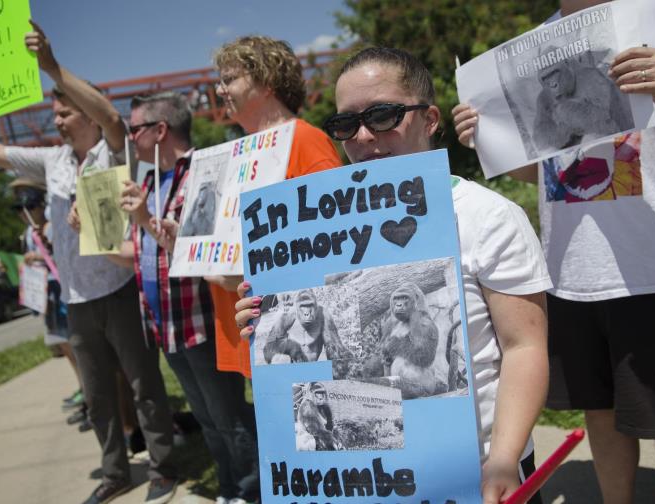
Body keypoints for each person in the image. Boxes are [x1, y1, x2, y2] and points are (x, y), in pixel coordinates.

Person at [452, 1, 655, 502]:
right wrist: (490, 141)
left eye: (558, 80)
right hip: (571, 273)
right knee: (601, 411)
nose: (553, 85)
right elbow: (548, 172)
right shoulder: (538, 41)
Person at [235, 47, 551, 504]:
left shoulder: (488, 217)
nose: (364, 136)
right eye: (346, 124)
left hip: (476, 471)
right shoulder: (311, 231)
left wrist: (503, 458)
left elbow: (525, 347)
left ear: (430, 119)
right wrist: (261, 319)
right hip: (362, 480)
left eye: (383, 115)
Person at [0, 22, 180, 504]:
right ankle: (115, 472)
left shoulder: (114, 151)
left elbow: (111, 115)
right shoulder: (52, 161)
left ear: (85, 114)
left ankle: (163, 468)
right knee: (97, 396)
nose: (59, 121)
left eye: (65, 112)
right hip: (77, 299)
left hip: (119, 288)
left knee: (143, 385)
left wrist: (50, 65)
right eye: (56, 114)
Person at [111, 90, 261, 504]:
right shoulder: (148, 182)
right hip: (169, 326)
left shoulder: (203, 173)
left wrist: (145, 218)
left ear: (160, 130)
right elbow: (140, 249)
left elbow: (206, 250)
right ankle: (230, 487)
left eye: (134, 129)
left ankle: (253, 490)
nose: (129, 138)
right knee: (207, 419)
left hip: (203, 321)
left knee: (229, 416)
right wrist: (92, 235)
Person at [209, 35, 343, 382]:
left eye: (229, 79)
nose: (220, 90)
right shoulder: (240, 154)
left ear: (266, 81)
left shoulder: (306, 141)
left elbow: (337, 240)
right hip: (254, 329)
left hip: (297, 336)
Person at [10, 177, 90, 427]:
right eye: (19, 208)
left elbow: (66, 257)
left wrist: (41, 255)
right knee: (65, 348)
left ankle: (91, 399)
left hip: (61, 291)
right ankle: (85, 392)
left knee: (76, 347)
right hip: (46, 295)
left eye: (28, 206)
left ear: (39, 206)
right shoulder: (28, 233)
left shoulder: (51, 227)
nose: (23, 213)